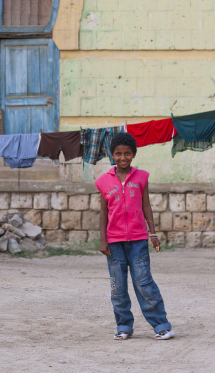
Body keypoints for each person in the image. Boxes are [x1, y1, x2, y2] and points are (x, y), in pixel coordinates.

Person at [95, 132, 175, 341]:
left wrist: (153, 232)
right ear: (112, 155)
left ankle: (161, 326)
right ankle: (123, 326)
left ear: (134, 154)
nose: (123, 158)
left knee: (144, 282)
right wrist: (103, 239)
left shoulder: (142, 177)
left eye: (127, 153)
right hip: (114, 242)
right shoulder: (103, 182)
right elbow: (104, 212)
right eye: (118, 154)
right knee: (118, 286)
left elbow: (146, 205)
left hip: (138, 240)